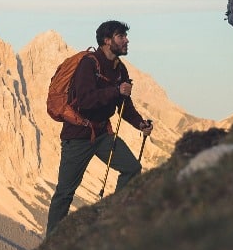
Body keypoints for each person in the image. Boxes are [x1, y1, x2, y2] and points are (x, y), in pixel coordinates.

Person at [45, 20, 154, 235]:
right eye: (121, 36)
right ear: (107, 40)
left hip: (103, 134)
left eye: (125, 36)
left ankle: (114, 219)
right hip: (77, 136)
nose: (126, 40)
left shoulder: (119, 68)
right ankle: (50, 242)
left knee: (132, 169)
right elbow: (85, 101)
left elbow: (124, 105)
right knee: (65, 192)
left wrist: (140, 123)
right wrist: (116, 90)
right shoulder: (89, 64)